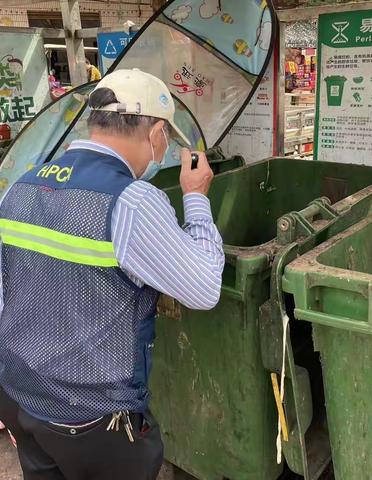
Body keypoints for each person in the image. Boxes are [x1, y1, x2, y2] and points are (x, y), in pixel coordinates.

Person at [0, 68, 224, 480]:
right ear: (156, 133)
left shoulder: (20, 187)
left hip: (18, 396)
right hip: (92, 419)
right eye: (167, 141)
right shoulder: (132, 201)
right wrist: (195, 199)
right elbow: (206, 288)